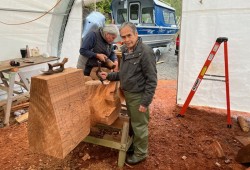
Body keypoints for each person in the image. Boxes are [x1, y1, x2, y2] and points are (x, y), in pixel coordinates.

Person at [99, 22, 157, 165]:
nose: (126, 39)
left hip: (139, 96)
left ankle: (141, 153)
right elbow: (124, 73)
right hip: (128, 94)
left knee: (139, 125)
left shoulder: (145, 52)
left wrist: (145, 102)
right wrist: (110, 76)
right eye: (123, 37)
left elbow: (152, 80)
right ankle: (134, 146)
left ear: (136, 34)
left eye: (129, 35)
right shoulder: (125, 50)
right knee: (133, 122)